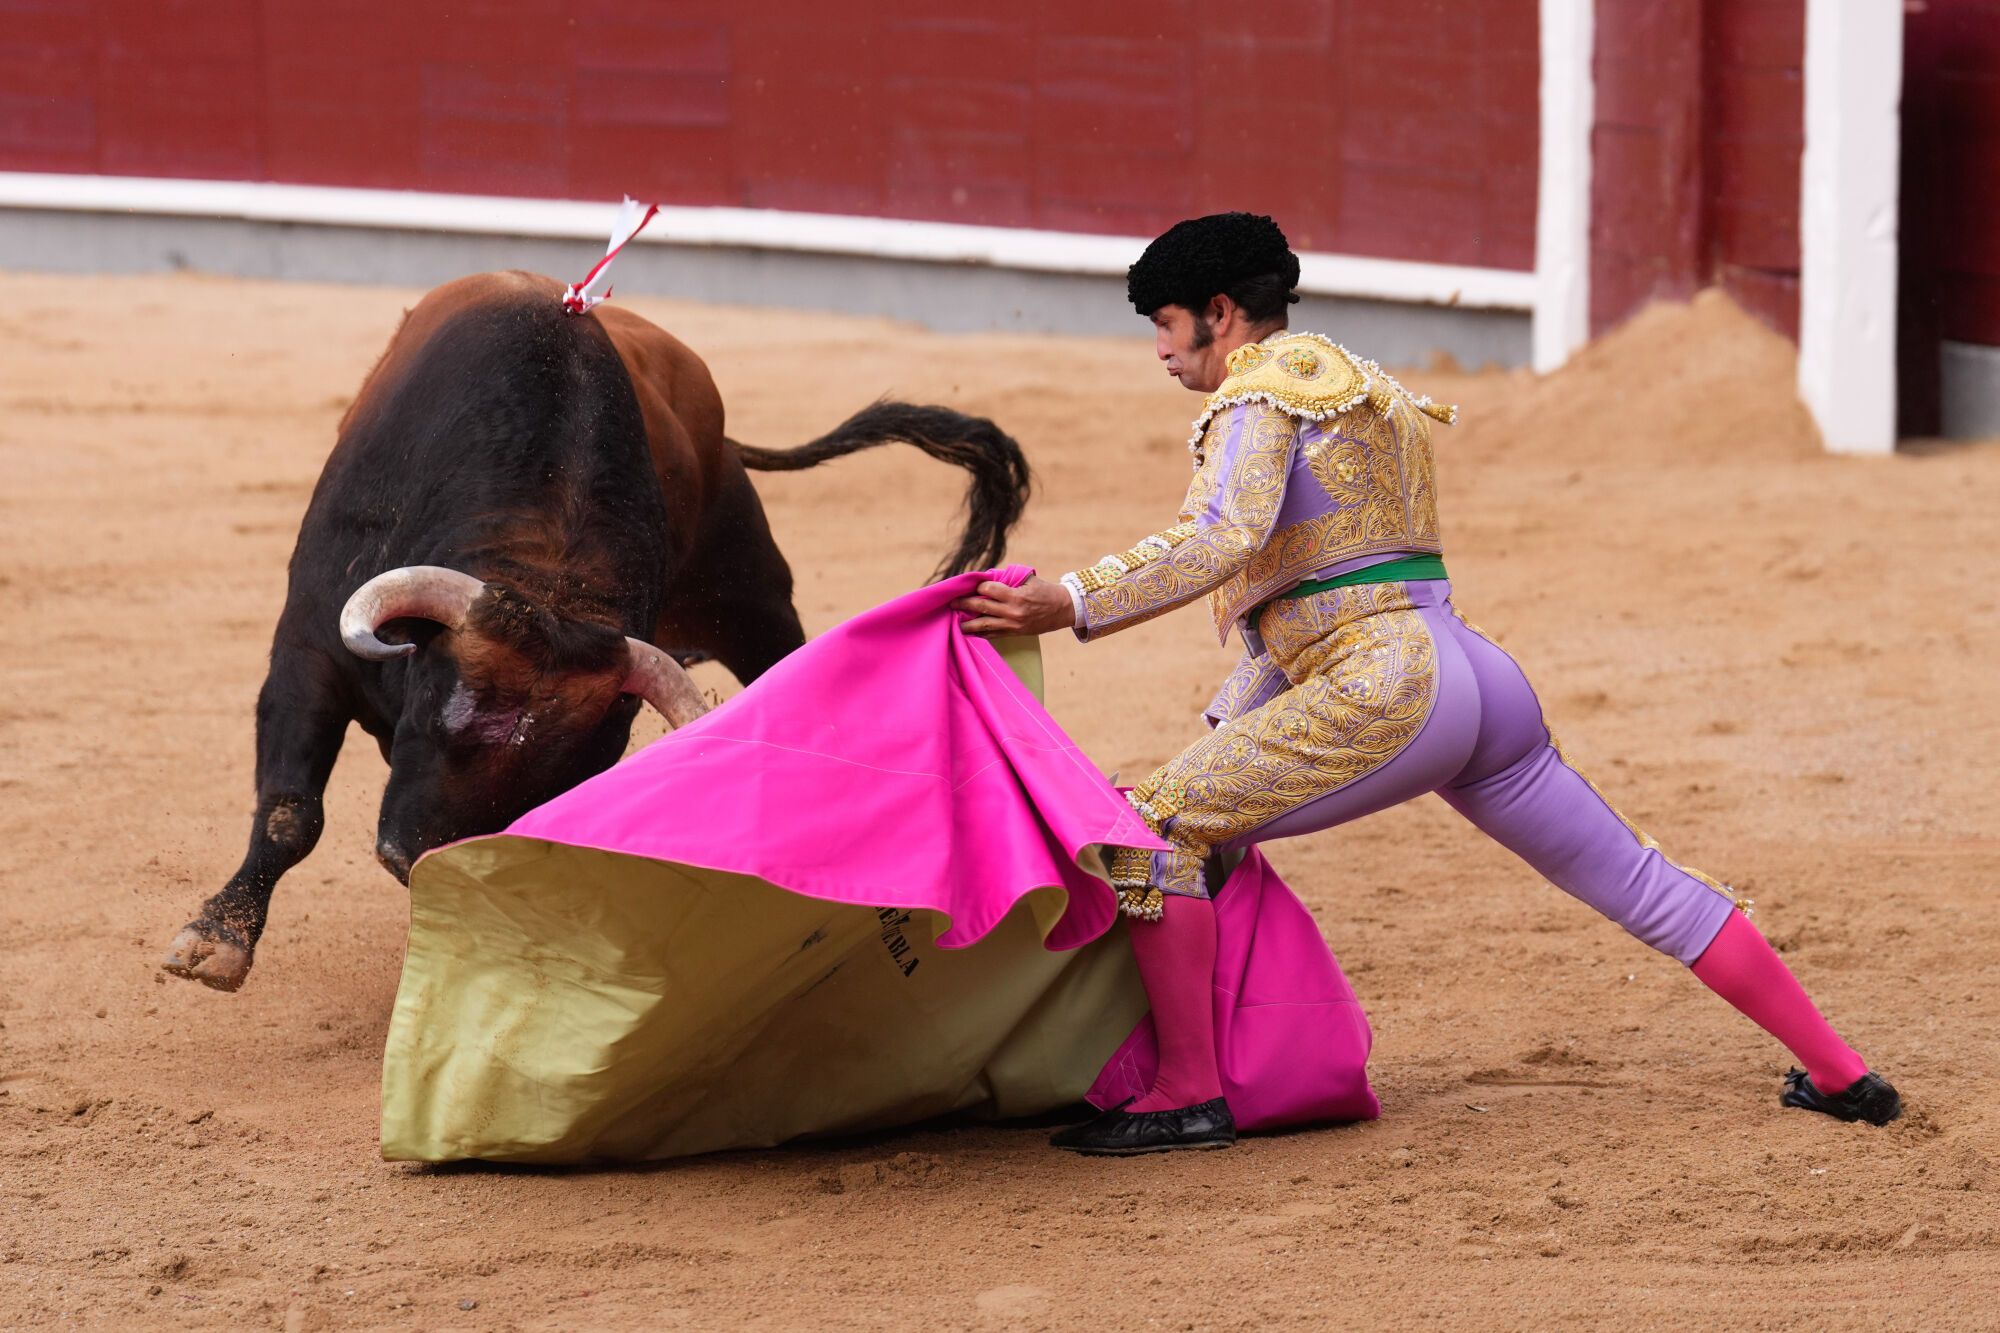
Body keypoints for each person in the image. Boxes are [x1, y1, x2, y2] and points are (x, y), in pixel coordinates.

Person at [954, 212, 1900, 1155]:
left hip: (1387, 684)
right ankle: (1840, 1072)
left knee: (1155, 824)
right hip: (1477, 679)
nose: (1159, 351)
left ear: (1220, 311)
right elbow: (1318, 587)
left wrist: (1070, 600)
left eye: (1165, 325)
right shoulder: (1359, 385)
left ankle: (1189, 1090)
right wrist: (1222, 730)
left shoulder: (1255, 400)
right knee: (1644, 882)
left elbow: (1220, 540)